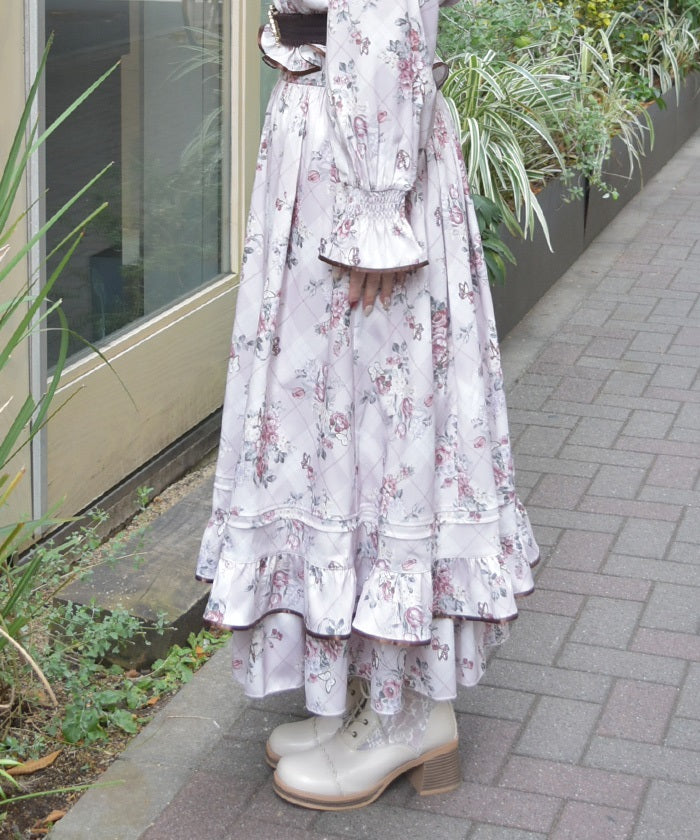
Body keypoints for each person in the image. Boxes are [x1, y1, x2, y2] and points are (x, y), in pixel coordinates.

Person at [196, 0, 538, 811]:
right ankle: (369, 693)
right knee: (341, 423)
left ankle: (407, 713)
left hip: (359, 167)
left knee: (381, 414)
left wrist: (378, 208)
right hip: (341, 144)